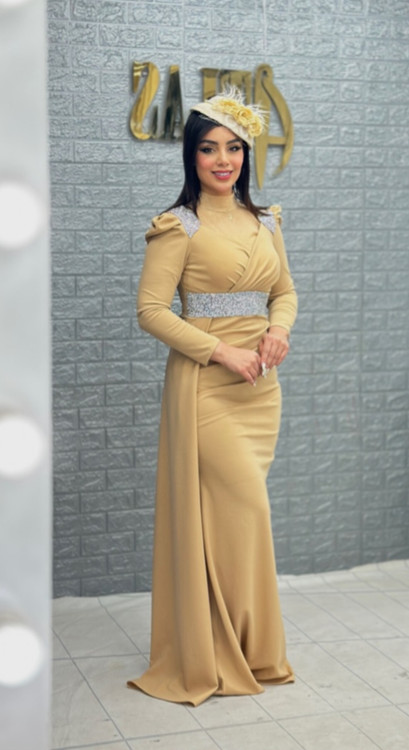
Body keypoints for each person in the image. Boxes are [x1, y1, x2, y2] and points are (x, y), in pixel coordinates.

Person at [127, 88, 298, 706]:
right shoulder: (178, 226)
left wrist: (278, 330)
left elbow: (284, 292)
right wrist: (220, 350)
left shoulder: (266, 221)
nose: (223, 160)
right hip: (206, 386)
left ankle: (251, 648)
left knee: (240, 518)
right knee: (244, 509)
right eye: (208, 149)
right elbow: (150, 311)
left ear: (245, 155)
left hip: (260, 389)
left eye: (233, 148)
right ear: (192, 156)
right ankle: (215, 647)